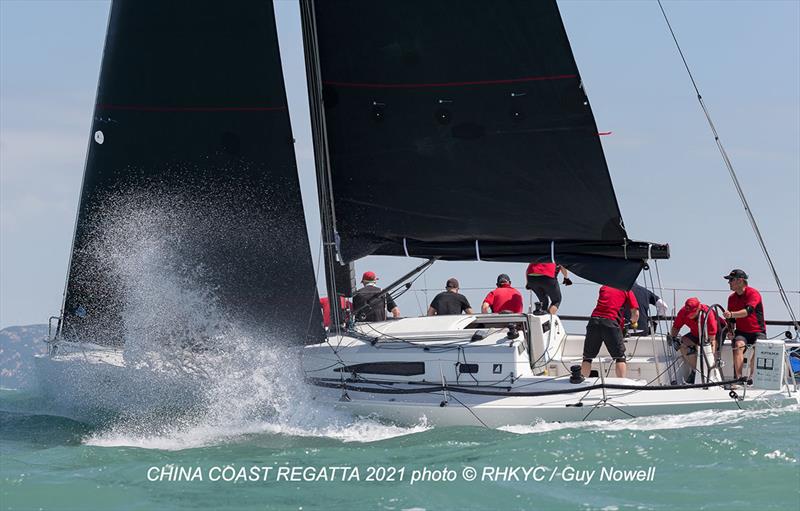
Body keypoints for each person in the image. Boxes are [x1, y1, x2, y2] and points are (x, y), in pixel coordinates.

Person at [581, 285, 639, 378]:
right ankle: (621, 384)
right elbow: (635, 314)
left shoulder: (604, 287)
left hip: (594, 321)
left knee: (587, 358)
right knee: (620, 357)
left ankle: (581, 382)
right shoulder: (626, 289)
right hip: (610, 322)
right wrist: (632, 322)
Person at [722, 269, 766, 381]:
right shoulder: (731, 298)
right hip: (742, 332)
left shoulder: (753, 293)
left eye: (731, 280)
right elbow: (731, 320)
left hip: (758, 331)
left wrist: (731, 314)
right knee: (738, 347)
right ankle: (739, 379)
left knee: (759, 349)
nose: (729, 283)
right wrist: (730, 331)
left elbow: (748, 311)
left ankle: (752, 379)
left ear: (740, 281)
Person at [669, 297, 721, 380]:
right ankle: (696, 371)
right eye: (688, 313)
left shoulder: (708, 313)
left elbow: (712, 339)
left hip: (715, 333)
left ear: (699, 308)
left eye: (692, 313)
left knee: (704, 348)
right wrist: (673, 339)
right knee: (681, 344)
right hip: (696, 333)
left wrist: (711, 356)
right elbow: (676, 327)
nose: (690, 316)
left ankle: (710, 372)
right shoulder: (683, 312)